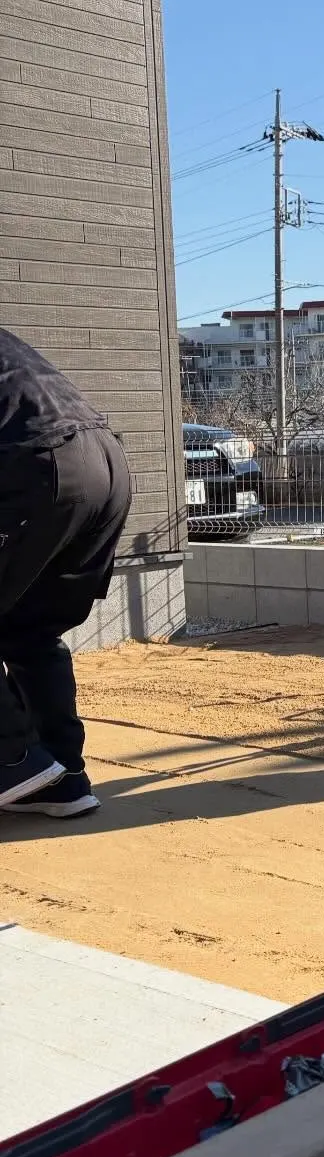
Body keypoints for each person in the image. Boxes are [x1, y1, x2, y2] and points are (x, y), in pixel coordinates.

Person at [0, 327, 132, 819]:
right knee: (26, 626)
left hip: (32, 466)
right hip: (101, 460)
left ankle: (11, 763)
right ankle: (60, 779)